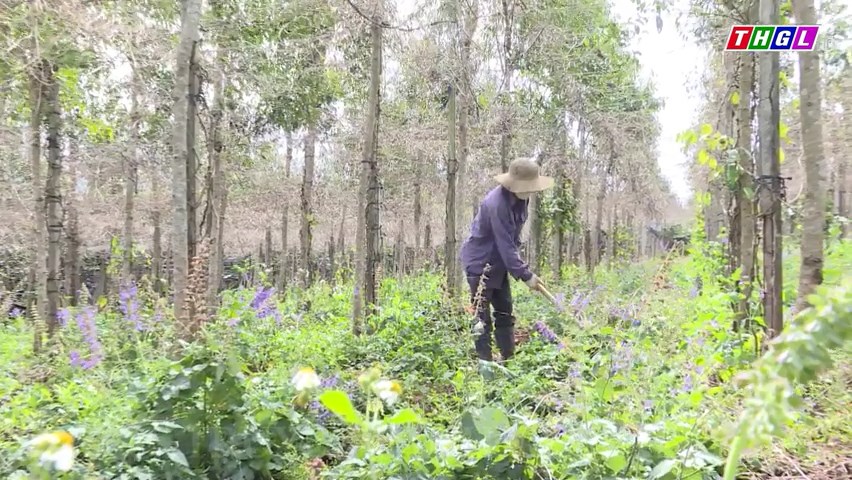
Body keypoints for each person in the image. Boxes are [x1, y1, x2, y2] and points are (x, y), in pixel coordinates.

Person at [459, 157, 554, 361]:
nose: (532, 191)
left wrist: (519, 266)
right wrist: (525, 274)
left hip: (500, 263)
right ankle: (485, 364)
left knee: (505, 310)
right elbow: (504, 243)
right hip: (480, 263)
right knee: (481, 317)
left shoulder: (522, 199)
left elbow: (513, 239)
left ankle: (508, 359)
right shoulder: (497, 204)